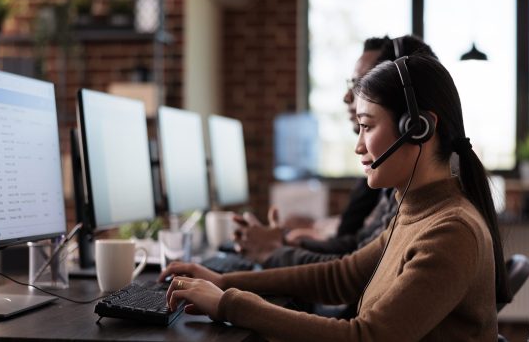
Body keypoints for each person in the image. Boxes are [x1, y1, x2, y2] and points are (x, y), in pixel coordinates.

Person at [160, 53, 511, 341]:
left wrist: (228, 304)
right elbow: (340, 277)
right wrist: (223, 281)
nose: (358, 145)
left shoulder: (451, 231)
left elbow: (366, 338)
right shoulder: (417, 212)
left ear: (418, 128)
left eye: (368, 126)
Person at [235, 36, 436, 269]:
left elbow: (350, 274)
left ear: (412, 123)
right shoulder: (397, 183)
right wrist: (286, 243)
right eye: (352, 84)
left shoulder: (431, 211)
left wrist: (275, 251)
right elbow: (357, 252)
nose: (348, 97)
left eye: (362, 84)